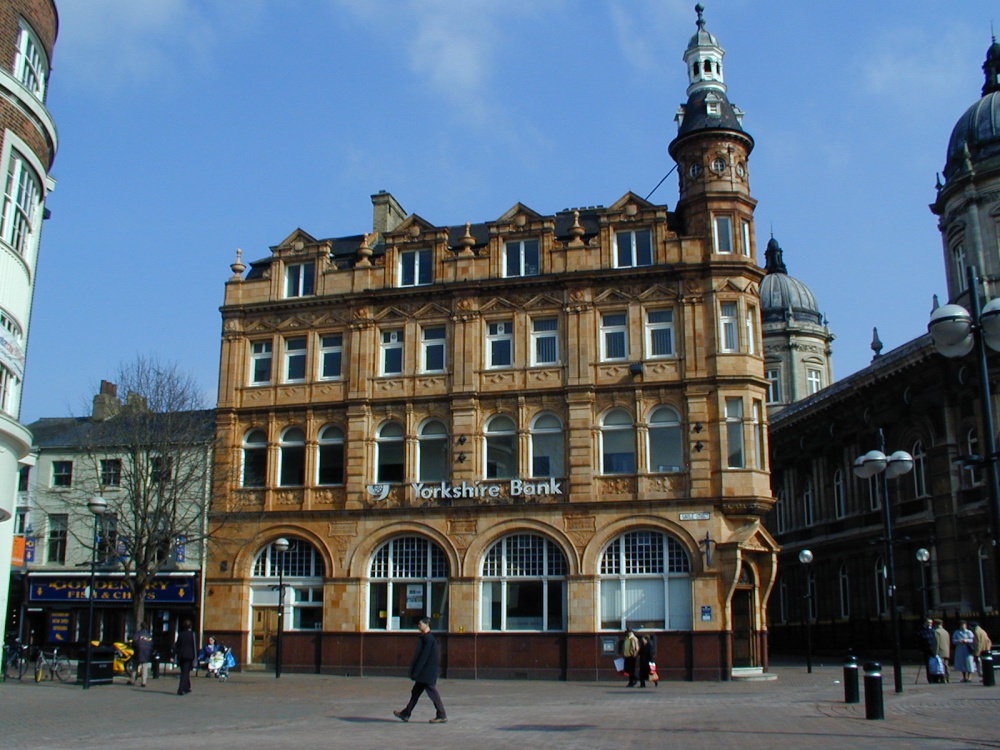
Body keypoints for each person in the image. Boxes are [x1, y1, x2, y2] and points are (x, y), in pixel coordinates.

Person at [394, 617, 447, 724]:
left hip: (426, 672)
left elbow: (424, 656)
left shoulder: (428, 638)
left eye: (420, 624)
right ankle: (406, 713)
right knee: (415, 692)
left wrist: (416, 671)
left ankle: (441, 714)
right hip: (425, 671)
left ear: (426, 625)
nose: (418, 626)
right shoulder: (426, 637)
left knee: (432, 692)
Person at [174, 620, 198, 695]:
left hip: (181, 655)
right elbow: (194, 646)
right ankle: (181, 689)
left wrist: (174, 655)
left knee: (184, 671)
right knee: (185, 673)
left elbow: (177, 645)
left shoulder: (180, 634)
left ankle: (187, 687)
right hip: (189, 656)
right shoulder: (192, 634)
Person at [132, 622, 154, 687]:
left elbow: (134, 642)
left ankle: (132, 680)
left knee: (135, 666)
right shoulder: (149, 635)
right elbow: (151, 644)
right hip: (146, 653)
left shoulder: (138, 633)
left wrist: (134, 649)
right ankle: (144, 682)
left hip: (138, 651)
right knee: (145, 667)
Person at [933, 619, 951, 684]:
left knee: (941, 666)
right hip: (946, 650)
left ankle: (943, 679)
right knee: (946, 665)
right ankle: (948, 678)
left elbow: (937, 643)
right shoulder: (946, 632)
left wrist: (935, 653)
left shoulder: (937, 632)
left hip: (940, 651)